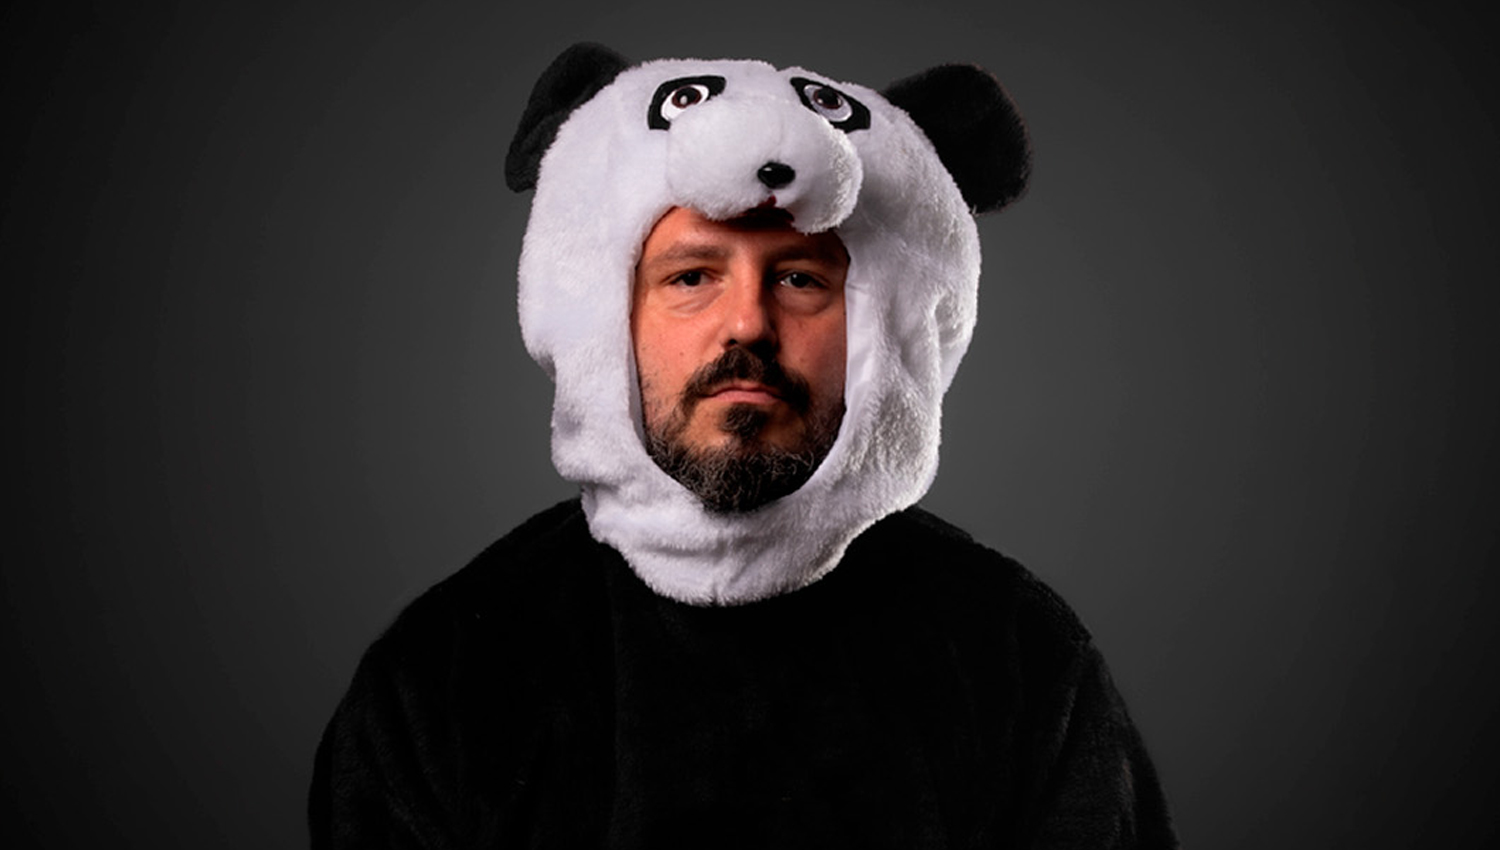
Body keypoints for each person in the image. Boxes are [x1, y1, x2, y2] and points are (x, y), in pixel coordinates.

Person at [310, 43, 1177, 848]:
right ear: (606, 319)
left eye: (799, 278)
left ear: (880, 326)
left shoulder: (1019, 662)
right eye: (691, 277)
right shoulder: (444, 678)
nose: (747, 325)